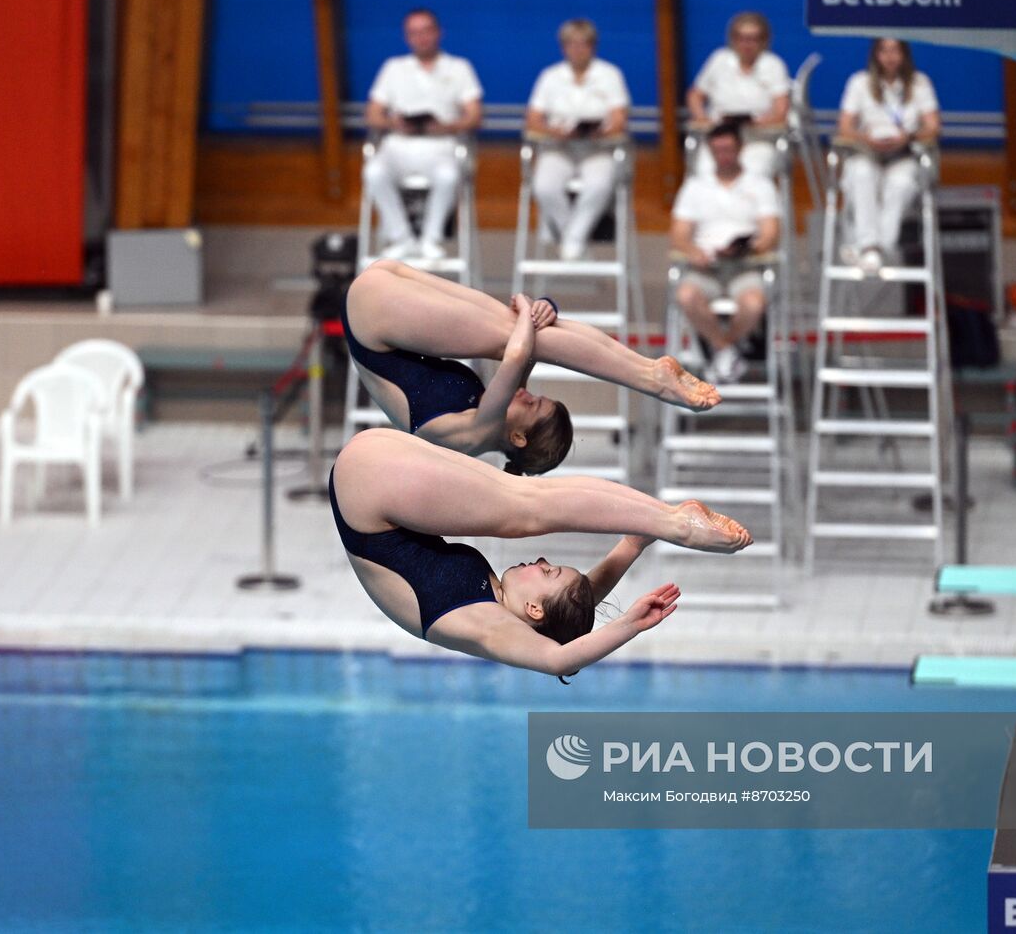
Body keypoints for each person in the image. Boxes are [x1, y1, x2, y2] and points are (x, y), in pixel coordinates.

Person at [329, 428, 751, 677]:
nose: (543, 562)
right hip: (373, 475)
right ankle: (660, 520)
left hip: (368, 486)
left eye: (548, 573)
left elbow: (558, 660)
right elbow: (575, 600)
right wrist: (631, 545)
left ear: (532, 609)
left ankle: (672, 522)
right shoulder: (508, 604)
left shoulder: (486, 625)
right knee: (525, 499)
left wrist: (628, 626)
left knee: (527, 509)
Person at [344, 260, 721, 474]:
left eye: (533, 405)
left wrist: (528, 308)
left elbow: (517, 354)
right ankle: (649, 371)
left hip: (373, 315)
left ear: (519, 438)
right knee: (529, 330)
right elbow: (528, 353)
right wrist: (546, 307)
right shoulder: (498, 420)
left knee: (520, 333)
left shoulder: (475, 434)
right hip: (383, 285)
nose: (527, 394)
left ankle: (650, 377)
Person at [363, 8, 483, 261]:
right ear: (407, 37)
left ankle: (432, 237)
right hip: (399, 143)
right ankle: (401, 237)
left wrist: (447, 126)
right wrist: (393, 122)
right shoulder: (393, 68)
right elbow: (372, 114)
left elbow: (474, 115)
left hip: (441, 144)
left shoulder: (459, 67)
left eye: (427, 31)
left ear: (439, 32)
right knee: (373, 171)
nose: (422, 37)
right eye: (414, 33)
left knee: (449, 175)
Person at [670, 124, 781, 383]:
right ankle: (725, 349)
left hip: (745, 265)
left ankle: (723, 349)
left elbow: (771, 233)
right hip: (705, 267)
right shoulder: (695, 187)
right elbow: (678, 235)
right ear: (710, 151)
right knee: (685, 295)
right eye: (717, 150)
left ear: (740, 149)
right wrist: (693, 251)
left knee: (754, 303)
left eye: (728, 149)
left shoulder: (761, 186)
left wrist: (749, 247)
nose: (724, 155)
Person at [525, 18, 631, 261]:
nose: (577, 50)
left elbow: (619, 118)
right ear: (563, 47)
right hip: (558, 147)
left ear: (593, 46)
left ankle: (573, 239)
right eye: (572, 44)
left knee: (600, 185)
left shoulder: (609, 74)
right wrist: (553, 131)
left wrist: (601, 131)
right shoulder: (550, 76)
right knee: (544, 186)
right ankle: (572, 239)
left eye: (583, 44)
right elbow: (533, 118)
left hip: (597, 147)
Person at [836, 38, 940, 276]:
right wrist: (865, 138)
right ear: (875, 54)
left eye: (896, 50)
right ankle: (869, 244)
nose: (890, 56)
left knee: (900, 184)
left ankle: (879, 248)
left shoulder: (920, 83)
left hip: (903, 155)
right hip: (867, 153)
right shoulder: (859, 83)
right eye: (884, 50)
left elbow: (933, 126)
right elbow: (844, 127)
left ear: (905, 54)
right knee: (861, 174)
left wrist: (909, 135)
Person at [685, 11, 791, 180]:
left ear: (764, 40)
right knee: (704, 171)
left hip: (757, 140)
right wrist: (701, 117)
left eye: (753, 38)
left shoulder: (773, 65)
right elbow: (695, 95)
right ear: (733, 39)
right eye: (741, 38)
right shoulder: (719, 60)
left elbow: (781, 109)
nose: (747, 44)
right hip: (720, 138)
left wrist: (758, 123)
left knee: (754, 173)